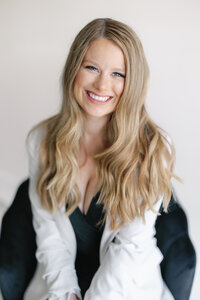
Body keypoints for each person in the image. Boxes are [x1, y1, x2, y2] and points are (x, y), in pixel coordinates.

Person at [25, 18, 177, 300]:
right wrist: (65, 293)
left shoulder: (155, 147)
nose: (102, 84)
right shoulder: (41, 140)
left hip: (127, 286)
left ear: (133, 81)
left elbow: (130, 248)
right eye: (91, 67)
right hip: (61, 280)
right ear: (74, 69)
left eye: (118, 74)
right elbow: (48, 233)